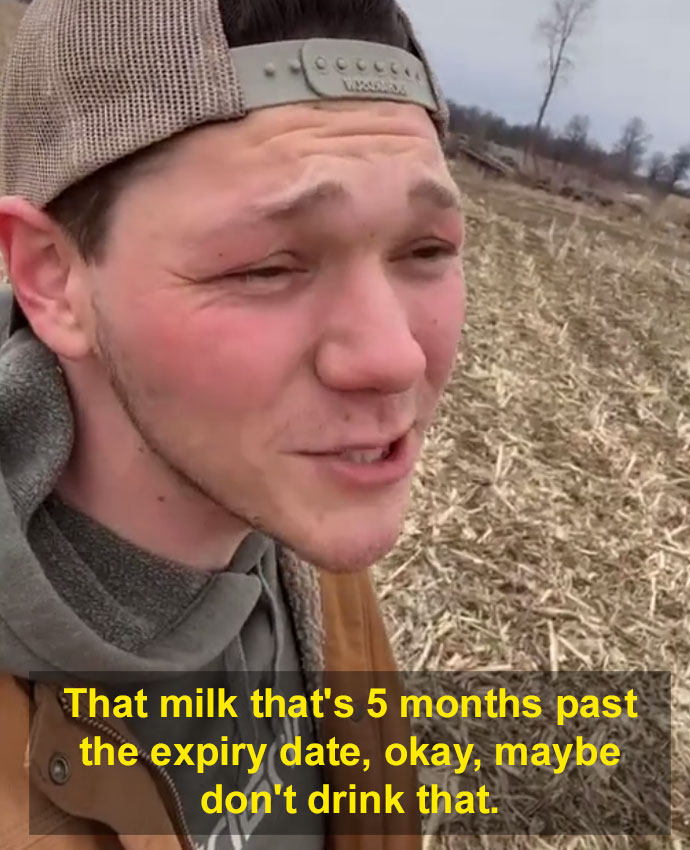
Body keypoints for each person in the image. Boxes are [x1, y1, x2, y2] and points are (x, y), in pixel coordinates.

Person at [0, 0, 465, 848]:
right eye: (267, 266)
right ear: (52, 276)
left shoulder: (303, 536)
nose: (393, 355)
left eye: (427, 249)